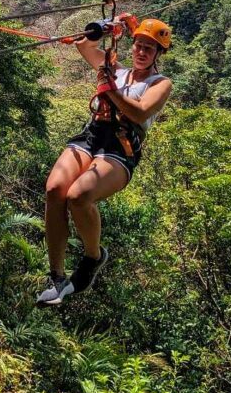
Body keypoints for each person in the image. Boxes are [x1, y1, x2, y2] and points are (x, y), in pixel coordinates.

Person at [37, 18, 173, 305]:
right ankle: (57, 276)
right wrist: (108, 27)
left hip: (120, 145)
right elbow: (84, 46)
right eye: (138, 45)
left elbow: (138, 113)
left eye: (150, 48)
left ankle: (93, 256)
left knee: (79, 196)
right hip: (93, 134)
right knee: (55, 189)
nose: (142, 52)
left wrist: (107, 86)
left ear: (159, 54)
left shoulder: (159, 84)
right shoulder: (117, 70)